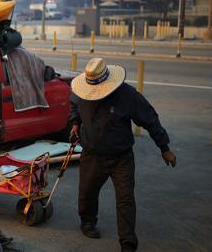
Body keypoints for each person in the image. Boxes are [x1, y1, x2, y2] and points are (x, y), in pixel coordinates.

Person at [69, 58, 177, 252]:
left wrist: (164, 147)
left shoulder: (127, 95)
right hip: (91, 154)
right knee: (87, 193)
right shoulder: (82, 91)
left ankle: (127, 243)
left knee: (125, 199)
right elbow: (74, 105)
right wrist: (75, 123)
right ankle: (87, 223)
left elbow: (150, 118)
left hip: (121, 157)